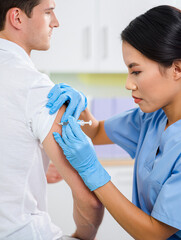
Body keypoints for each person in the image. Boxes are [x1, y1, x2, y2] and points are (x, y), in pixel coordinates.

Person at [47, 5, 181, 240]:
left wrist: (93, 172)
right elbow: (97, 131)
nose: (129, 84)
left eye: (136, 71)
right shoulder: (152, 117)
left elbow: (155, 234)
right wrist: (80, 108)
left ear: (177, 68)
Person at [0, 0, 104, 239]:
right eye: (48, 13)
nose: (56, 22)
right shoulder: (37, 87)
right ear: (17, 18)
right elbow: (90, 203)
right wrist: (82, 236)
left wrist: (29, 171)